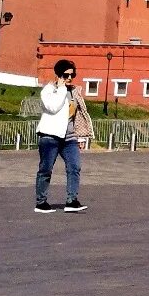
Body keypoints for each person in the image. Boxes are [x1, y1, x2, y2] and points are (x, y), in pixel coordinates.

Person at [34, 59, 91, 214]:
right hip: (50, 137)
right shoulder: (48, 90)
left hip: (69, 137)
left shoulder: (73, 91)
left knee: (75, 166)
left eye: (72, 75)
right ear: (58, 75)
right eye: (66, 75)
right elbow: (52, 107)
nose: (70, 78)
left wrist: (80, 136)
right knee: (45, 169)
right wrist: (60, 89)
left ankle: (72, 201)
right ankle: (41, 202)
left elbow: (77, 115)